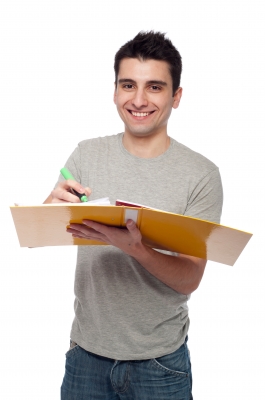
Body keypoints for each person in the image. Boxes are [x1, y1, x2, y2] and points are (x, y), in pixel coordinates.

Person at [45, 31, 223, 400]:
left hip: (159, 366)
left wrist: (136, 249)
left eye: (155, 87)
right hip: (85, 357)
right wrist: (49, 208)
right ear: (114, 91)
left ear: (176, 97)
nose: (138, 100)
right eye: (128, 85)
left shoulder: (201, 174)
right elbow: (49, 232)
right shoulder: (86, 154)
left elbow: (190, 278)